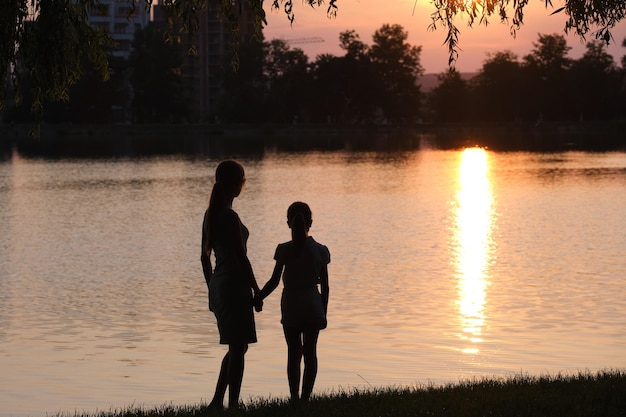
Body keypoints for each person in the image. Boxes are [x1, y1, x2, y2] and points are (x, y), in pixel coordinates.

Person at [201, 160, 262, 409]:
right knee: (238, 347)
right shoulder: (229, 216)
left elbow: (204, 258)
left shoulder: (211, 213)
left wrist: (211, 289)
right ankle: (233, 405)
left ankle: (217, 402)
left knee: (238, 346)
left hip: (219, 284)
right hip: (234, 285)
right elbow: (241, 258)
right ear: (238, 185)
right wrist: (256, 290)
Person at [258, 202, 330, 402]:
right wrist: (323, 312)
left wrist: (258, 297)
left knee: (293, 353)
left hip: (291, 303)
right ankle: (306, 398)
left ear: (288, 223)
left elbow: (273, 282)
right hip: (313, 304)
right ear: (311, 223)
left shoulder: (283, 250)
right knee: (310, 352)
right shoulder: (321, 251)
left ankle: (294, 398)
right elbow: (325, 287)